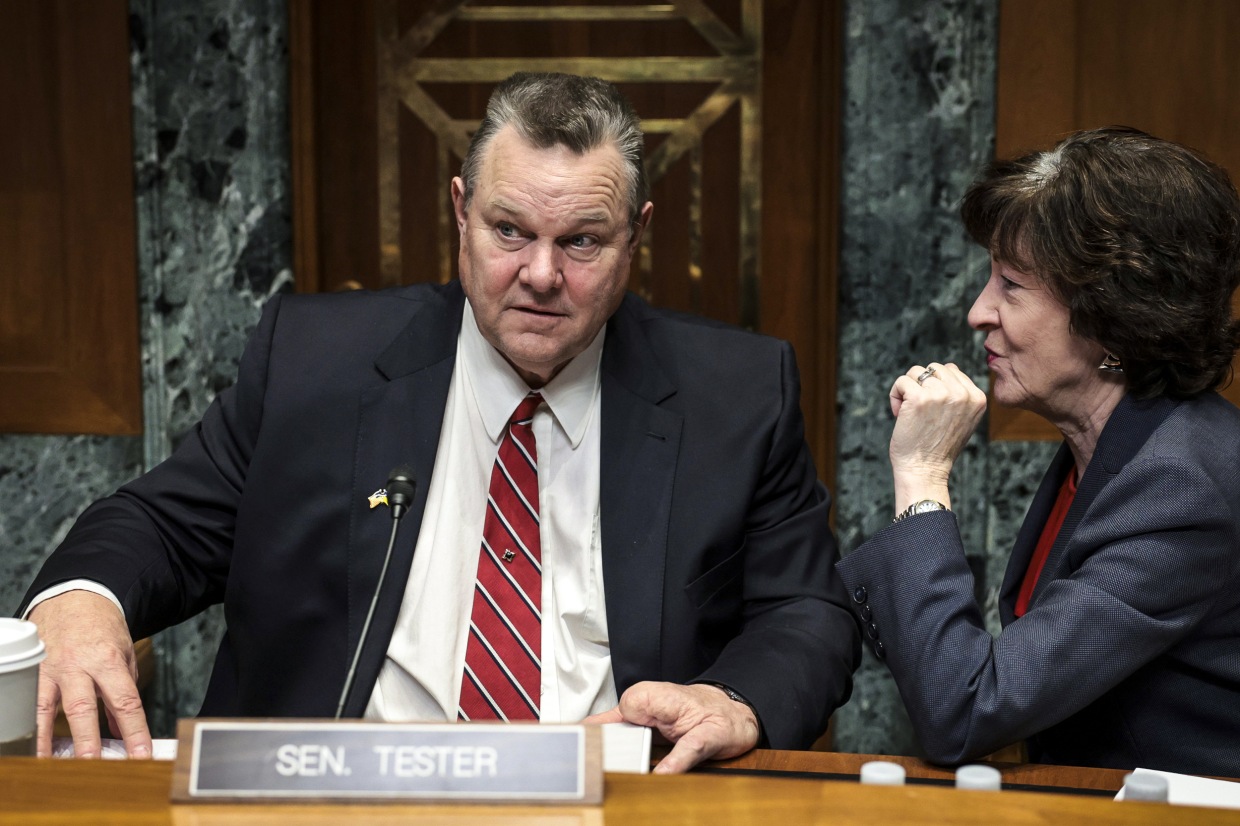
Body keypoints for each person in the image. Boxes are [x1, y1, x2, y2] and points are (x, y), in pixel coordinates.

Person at [20, 72, 860, 772]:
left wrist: (733, 700)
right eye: (508, 230)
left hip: (616, 801)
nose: (539, 273)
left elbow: (807, 615)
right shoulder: (317, 362)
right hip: (339, 801)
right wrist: (82, 602)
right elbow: (159, 525)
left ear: (637, 235)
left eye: (581, 242)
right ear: (460, 210)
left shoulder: (737, 394)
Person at [837, 126, 1240, 776]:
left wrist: (921, 476)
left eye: (1011, 286)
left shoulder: (1182, 486)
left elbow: (963, 713)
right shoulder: (1114, 444)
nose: (976, 311)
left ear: (1113, 315)